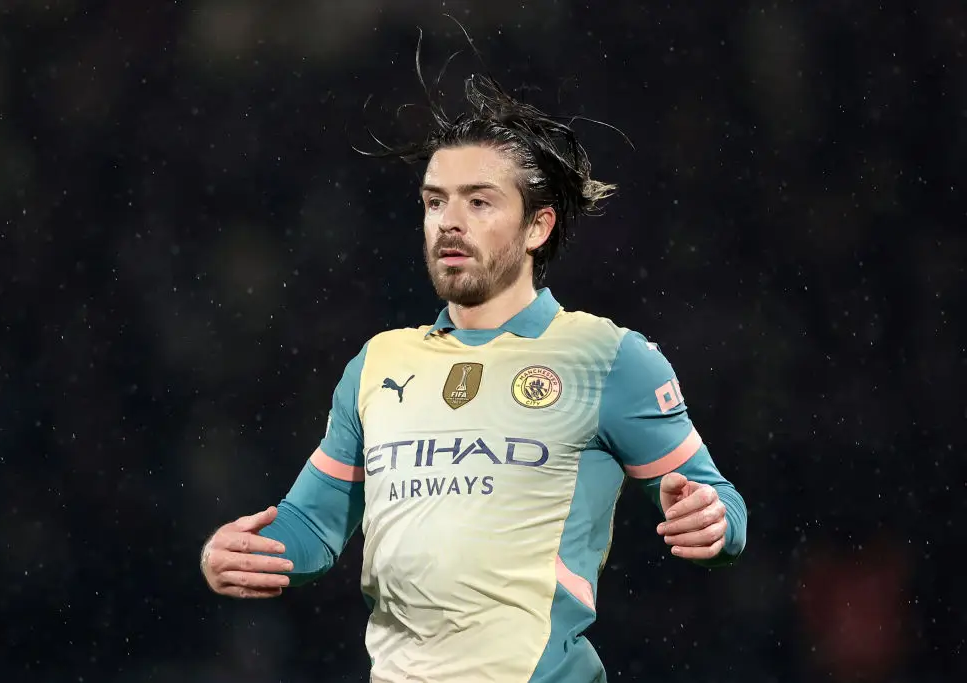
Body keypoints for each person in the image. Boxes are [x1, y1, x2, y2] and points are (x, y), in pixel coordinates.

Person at [200, 37, 748, 683]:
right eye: (436, 201)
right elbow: (313, 525)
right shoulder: (379, 362)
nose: (449, 222)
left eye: (479, 201)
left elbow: (718, 501)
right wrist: (241, 552)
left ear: (538, 227)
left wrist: (711, 520)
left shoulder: (608, 356)